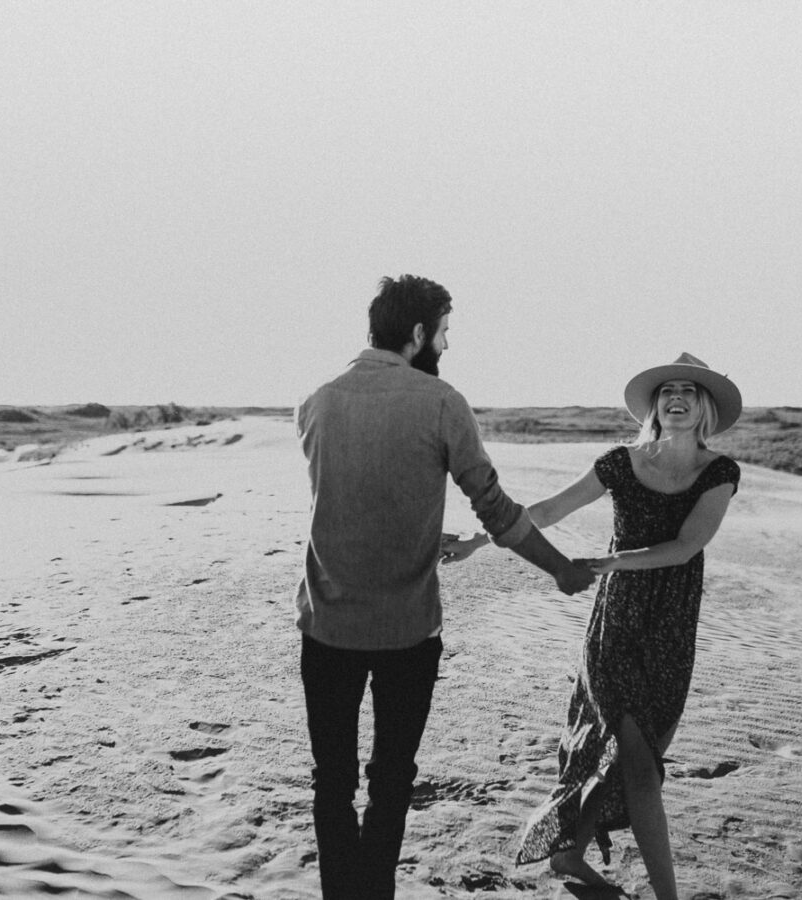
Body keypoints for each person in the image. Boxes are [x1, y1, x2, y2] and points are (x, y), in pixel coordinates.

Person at [295, 274, 596, 900]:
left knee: (332, 781)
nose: (446, 346)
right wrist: (561, 568)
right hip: (407, 632)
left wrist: (417, 531)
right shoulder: (440, 402)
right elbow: (497, 511)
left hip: (327, 627)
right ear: (417, 333)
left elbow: (354, 499)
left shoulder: (316, 402)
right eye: (444, 333)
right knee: (391, 780)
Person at [442, 352, 742, 899]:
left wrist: (608, 562)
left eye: (689, 391)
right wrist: (476, 541)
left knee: (632, 754)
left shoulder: (720, 472)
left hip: (672, 626)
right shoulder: (620, 463)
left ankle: (569, 852)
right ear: (654, 406)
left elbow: (686, 546)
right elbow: (547, 511)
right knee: (641, 766)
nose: (676, 398)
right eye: (667, 390)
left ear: (705, 408)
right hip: (616, 624)